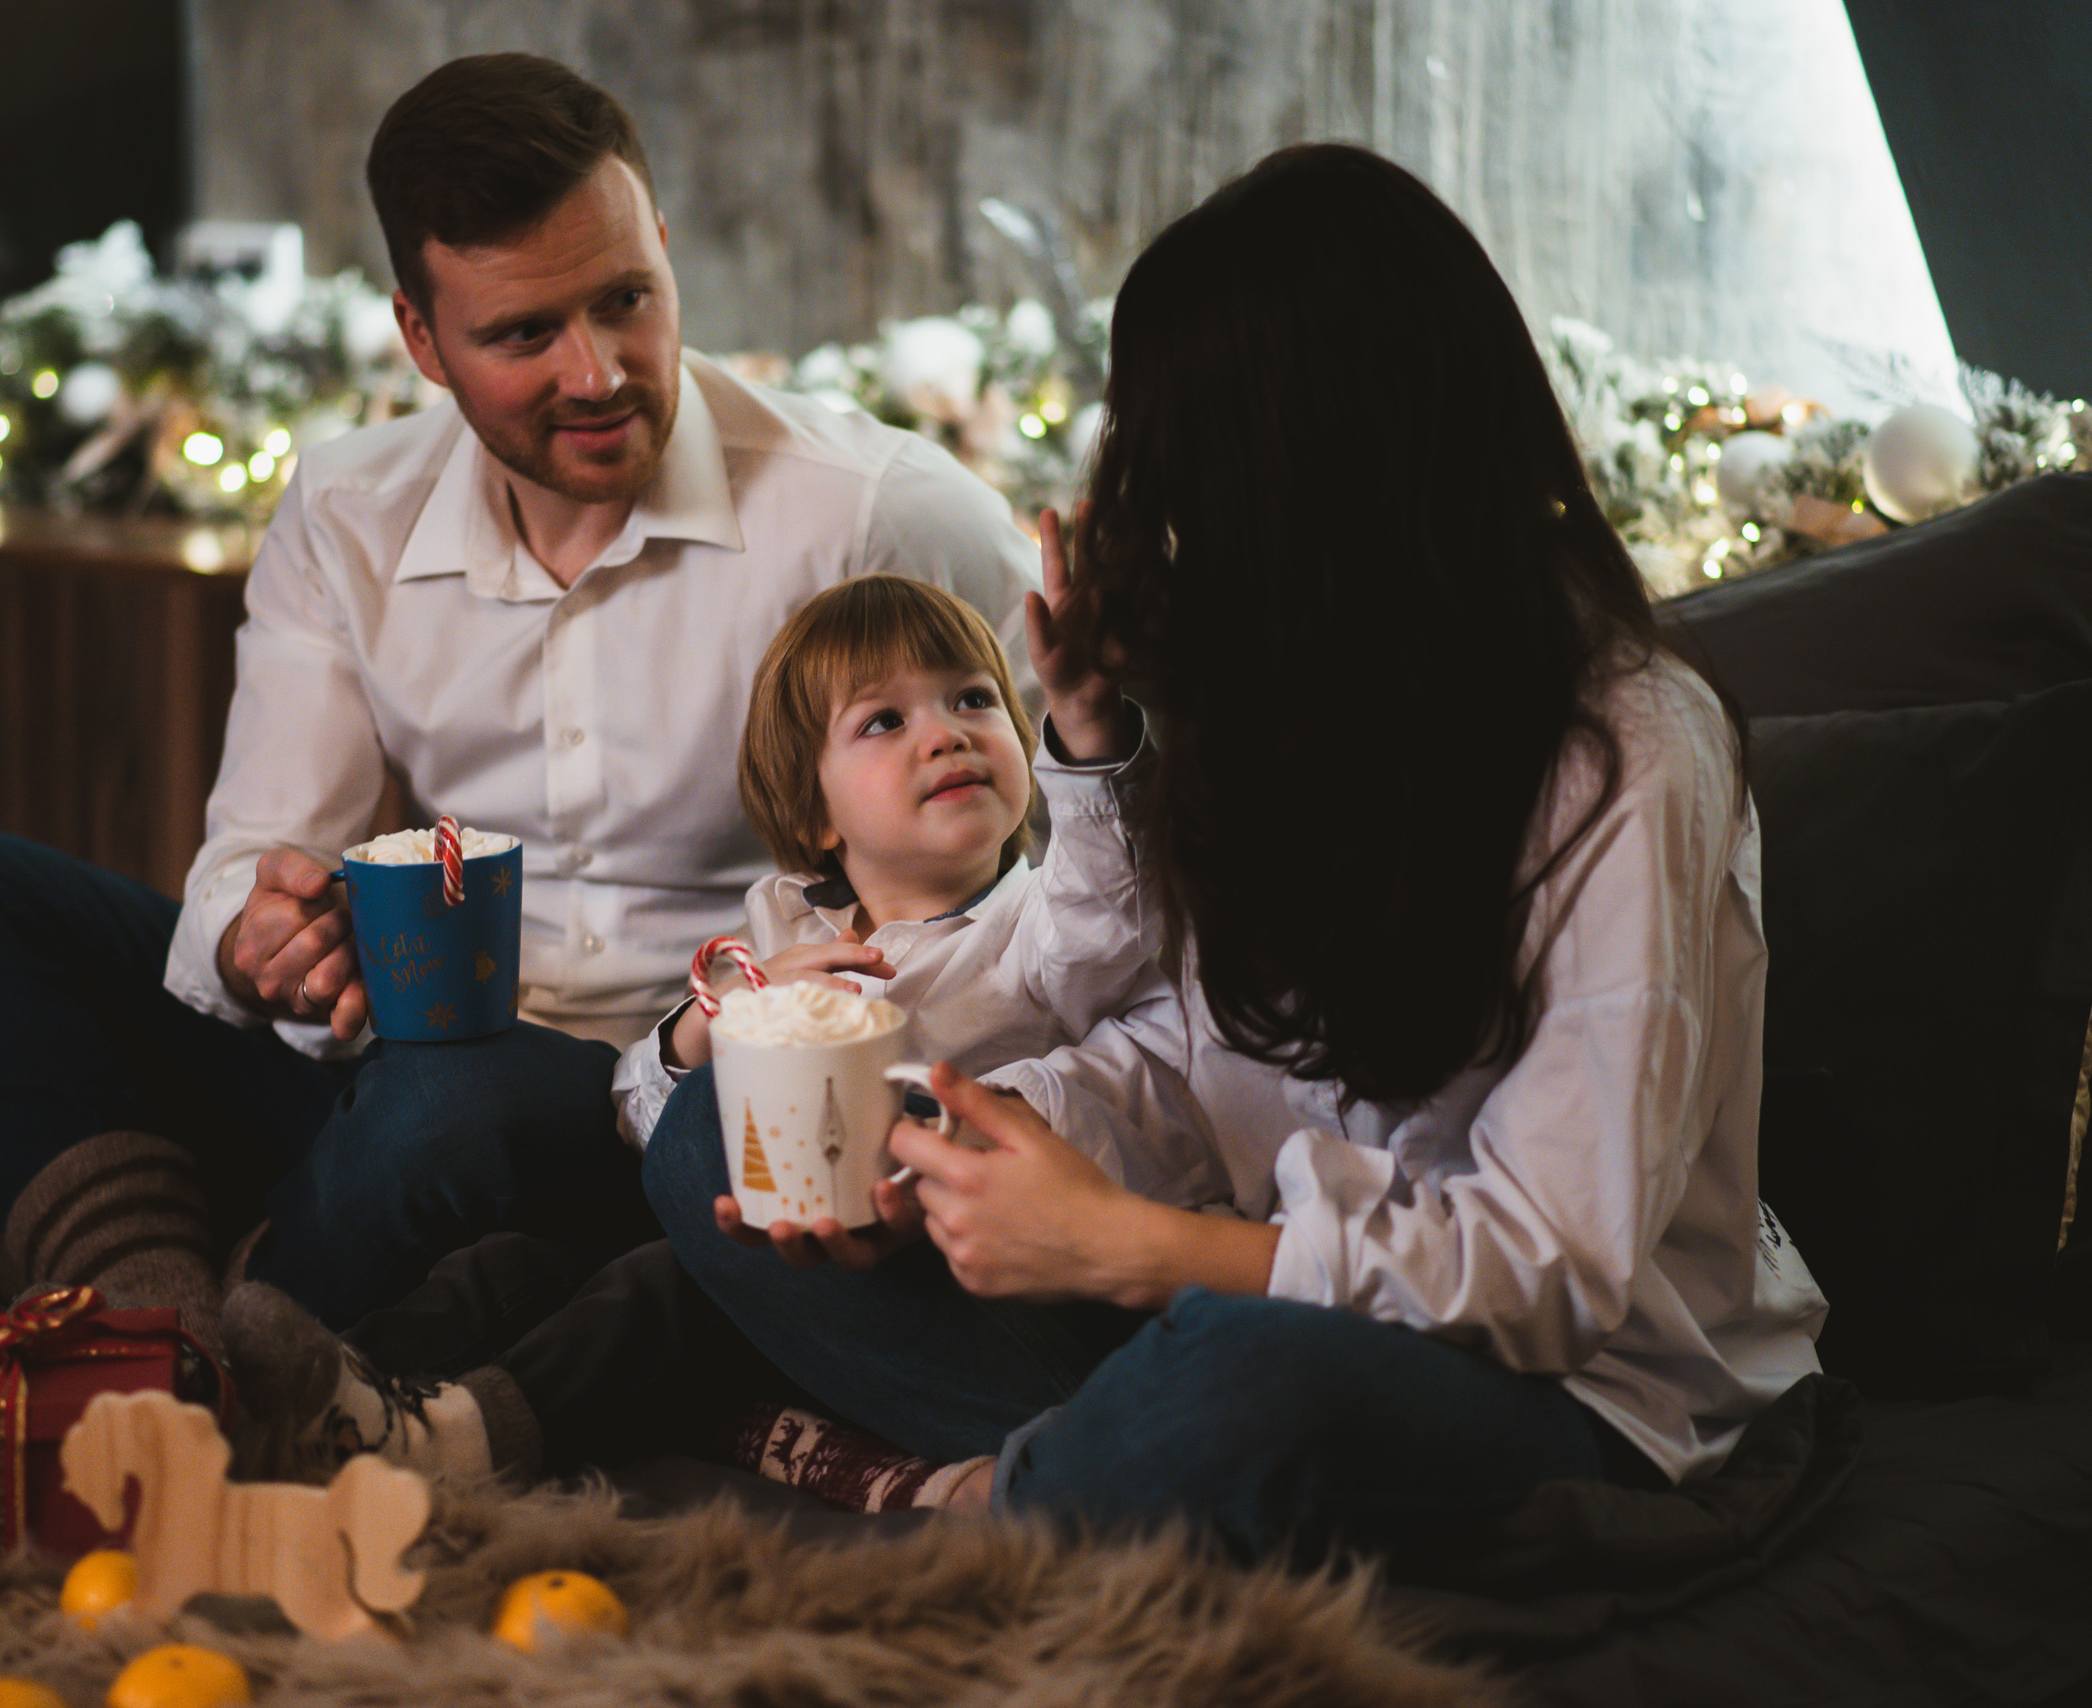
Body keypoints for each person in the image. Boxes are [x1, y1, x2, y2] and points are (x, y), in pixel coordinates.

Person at [641, 143, 1830, 1558]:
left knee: (1232, 1390)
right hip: (1234, 1285)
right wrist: (968, 1160)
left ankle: (1007, 1496)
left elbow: (1546, 1267)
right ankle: (1079, 1474)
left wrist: (1117, 1248)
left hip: (1563, 1386)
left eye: (1187, 456)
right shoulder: (1278, 687)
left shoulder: (1626, 747)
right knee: (716, 1132)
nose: (1160, 505)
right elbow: (1201, 1074)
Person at [0, 53, 1034, 1351]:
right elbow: (254, 858)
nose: (597, 373)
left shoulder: (882, 512)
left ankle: (217, 1323)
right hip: (405, 1060)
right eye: (525, 335)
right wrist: (269, 942)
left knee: (449, 1108)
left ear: (663, 253)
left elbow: (1069, 857)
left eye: (627, 301)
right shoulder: (351, 511)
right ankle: (157, 1291)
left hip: (686, 1098)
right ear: (422, 339)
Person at [219, 569, 1228, 1490]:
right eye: (884, 720)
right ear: (815, 809)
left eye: (974, 699)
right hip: (762, 1235)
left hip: (935, 1279)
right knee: (529, 1262)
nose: (947, 732)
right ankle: (311, 1382)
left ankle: (464, 1436)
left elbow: (1110, 909)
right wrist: (720, 1021)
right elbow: (646, 1125)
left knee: (662, 1286)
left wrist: (1091, 739)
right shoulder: (784, 922)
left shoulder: (1036, 925)